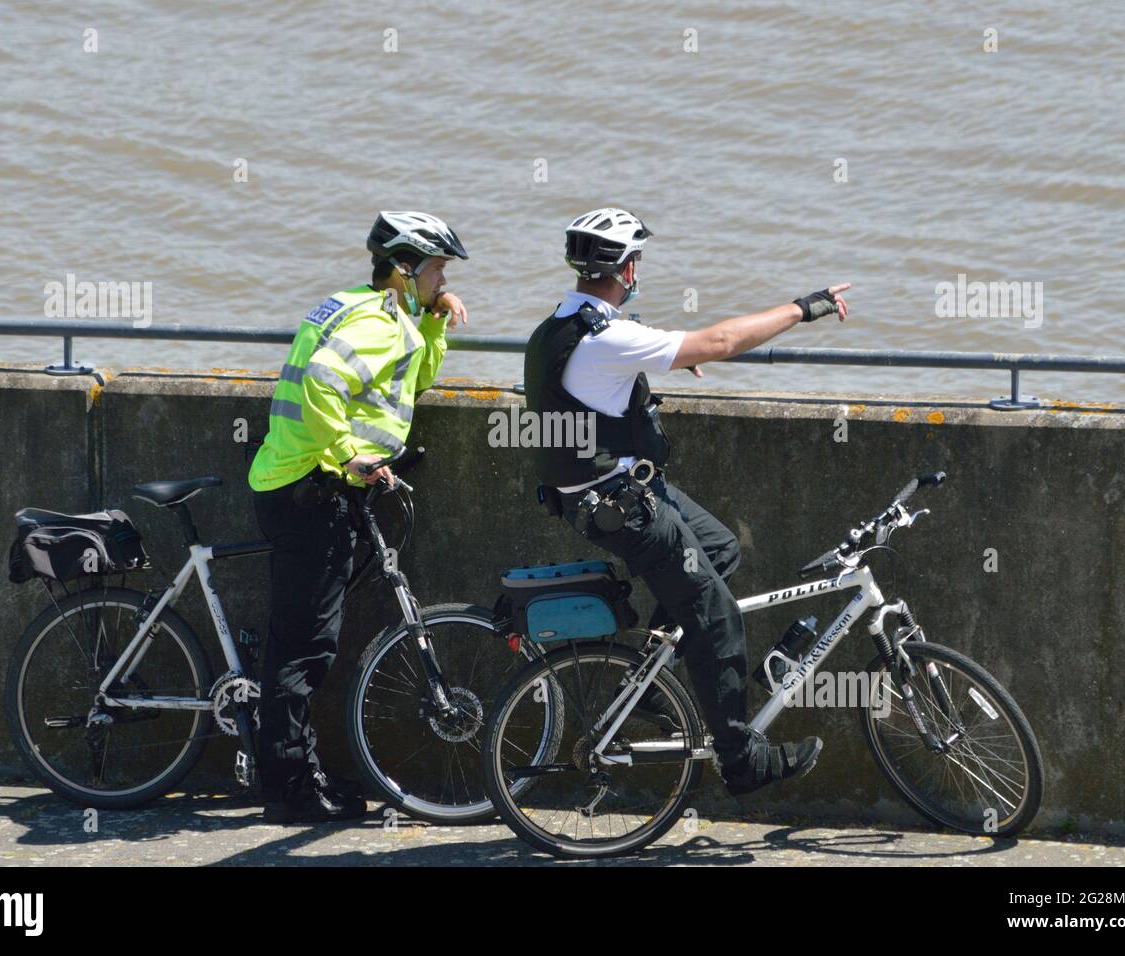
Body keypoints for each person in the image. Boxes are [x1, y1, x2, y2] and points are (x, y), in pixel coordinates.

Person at [523, 207, 849, 793]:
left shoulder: (559, 326)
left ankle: (647, 683)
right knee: (719, 619)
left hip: (615, 490)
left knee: (720, 549)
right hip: (621, 505)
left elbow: (589, 394)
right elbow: (720, 340)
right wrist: (803, 308)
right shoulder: (609, 337)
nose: (638, 268)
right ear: (623, 269)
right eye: (635, 259)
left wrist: (649, 371)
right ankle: (741, 758)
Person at [248, 211, 469, 822]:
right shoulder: (377, 322)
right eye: (437, 268)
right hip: (311, 488)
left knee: (299, 641)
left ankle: (302, 772)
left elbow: (410, 379)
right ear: (404, 269)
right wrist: (351, 455)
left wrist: (435, 317)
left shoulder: (358, 307)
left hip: (293, 479)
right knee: (305, 649)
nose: (444, 277)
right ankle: (290, 791)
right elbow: (322, 381)